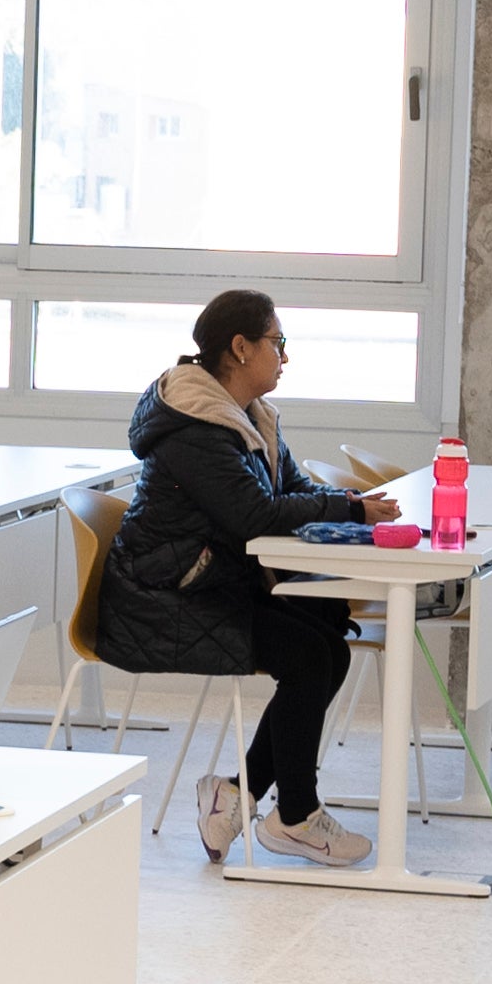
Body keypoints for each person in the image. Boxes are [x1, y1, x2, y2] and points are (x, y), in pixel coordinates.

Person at [99, 290, 398, 867]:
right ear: (240, 349)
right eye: (278, 344)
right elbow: (256, 515)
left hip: (210, 582)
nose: (286, 357)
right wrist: (349, 512)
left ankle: (239, 796)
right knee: (311, 656)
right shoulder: (195, 429)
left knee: (327, 636)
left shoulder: (247, 416)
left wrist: (345, 501)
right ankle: (294, 818)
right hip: (162, 599)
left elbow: (289, 489)